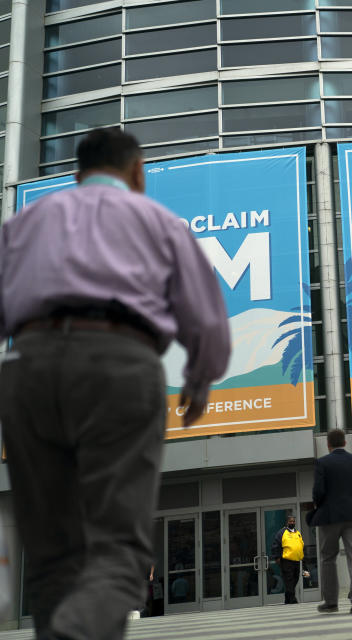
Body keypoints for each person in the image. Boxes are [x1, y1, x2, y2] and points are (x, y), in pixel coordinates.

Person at [0, 128, 229, 640]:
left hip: (26, 366)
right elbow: (208, 323)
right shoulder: (159, 221)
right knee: (118, 552)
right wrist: (198, 380)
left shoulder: (27, 221)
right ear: (138, 172)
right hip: (118, 364)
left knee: (52, 552)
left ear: (77, 175)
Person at [310, 428, 352, 615]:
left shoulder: (322, 462)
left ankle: (331, 602)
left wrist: (319, 504)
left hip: (330, 516)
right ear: (345, 442)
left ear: (328, 444)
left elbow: (318, 491)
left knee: (328, 558)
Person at [271, 515, 305, 604]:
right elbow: (275, 545)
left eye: (293, 521)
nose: (292, 523)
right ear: (287, 522)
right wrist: (277, 557)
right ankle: (293, 599)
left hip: (297, 560)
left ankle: (287, 596)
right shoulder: (282, 532)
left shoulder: (297, 533)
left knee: (295, 578)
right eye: (290, 521)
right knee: (289, 579)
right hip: (286, 560)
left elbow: (301, 545)